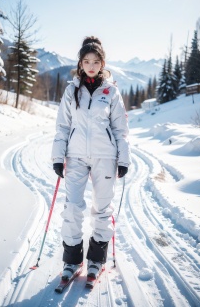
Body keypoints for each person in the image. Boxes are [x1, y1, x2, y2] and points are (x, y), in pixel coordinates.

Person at [52, 36, 131, 282]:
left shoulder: (111, 91)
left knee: (102, 210)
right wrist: (58, 156)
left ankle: (96, 259)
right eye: (86, 61)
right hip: (75, 156)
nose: (91, 65)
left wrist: (123, 159)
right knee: (73, 208)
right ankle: (72, 261)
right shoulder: (70, 90)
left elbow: (121, 129)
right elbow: (62, 126)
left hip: (105, 157)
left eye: (95, 61)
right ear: (80, 63)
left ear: (102, 63)